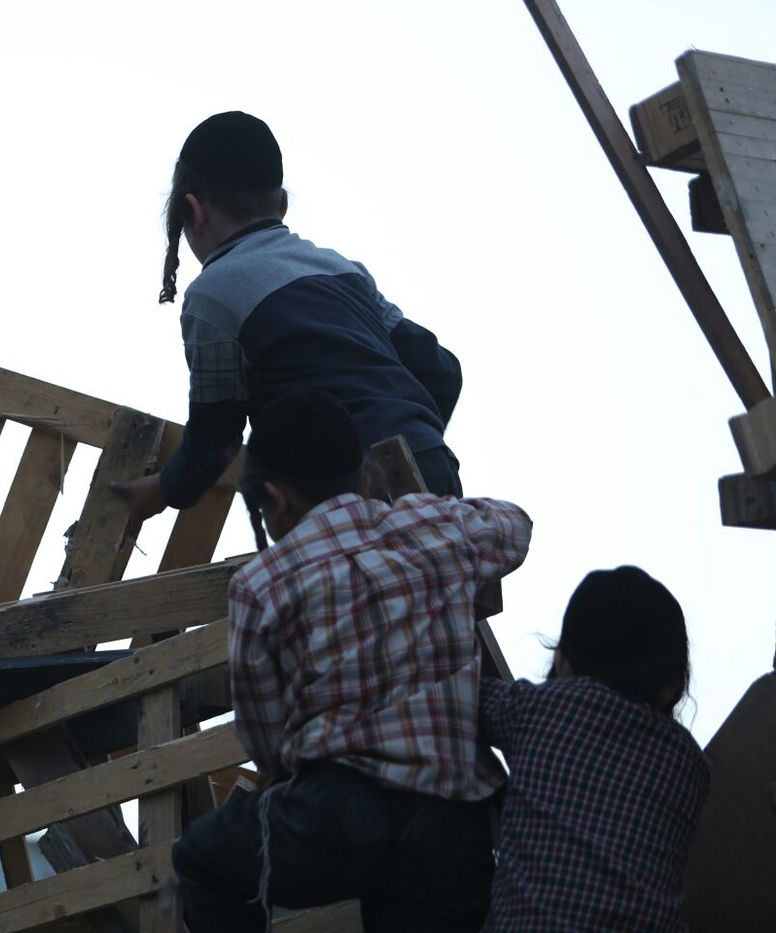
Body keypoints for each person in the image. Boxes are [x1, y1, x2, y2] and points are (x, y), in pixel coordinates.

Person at [172, 391, 532, 932]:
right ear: (365, 479)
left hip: (335, 816)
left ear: (275, 497)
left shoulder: (260, 584)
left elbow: (264, 737)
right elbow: (514, 524)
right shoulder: (435, 528)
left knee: (202, 861)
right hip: (453, 817)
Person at [114, 111, 464, 520]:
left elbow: (216, 438)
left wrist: (163, 489)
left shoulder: (213, 294)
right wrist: (415, 438)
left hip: (343, 490)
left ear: (193, 212)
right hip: (430, 466)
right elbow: (440, 370)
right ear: (280, 206)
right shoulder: (339, 268)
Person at [479, 566, 709, 931]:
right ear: (674, 684)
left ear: (563, 662)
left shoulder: (539, 709)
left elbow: (465, 697)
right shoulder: (690, 768)